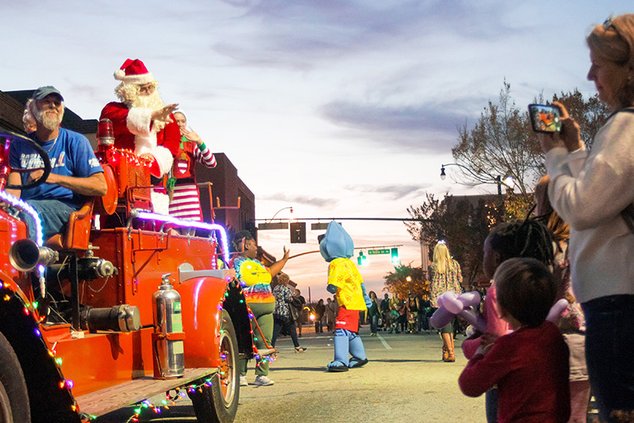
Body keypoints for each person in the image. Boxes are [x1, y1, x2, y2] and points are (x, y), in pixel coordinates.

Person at [539, 14, 634, 421]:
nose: (590, 73)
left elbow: (581, 208)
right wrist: (577, 149)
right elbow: (603, 198)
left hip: (618, 304)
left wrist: (556, 153)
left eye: (599, 63)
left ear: (628, 68)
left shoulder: (626, 125)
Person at [462, 219, 555, 422]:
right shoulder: (551, 334)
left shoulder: (498, 291)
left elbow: (470, 384)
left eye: (484, 253)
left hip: (504, 390)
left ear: (496, 257)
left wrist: (473, 349)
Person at [458, 257, 570, 422]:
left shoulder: (509, 346)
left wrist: (480, 354)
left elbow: (469, 385)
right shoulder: (552, 335)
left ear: (502, 307)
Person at [7, 86, 107, 241]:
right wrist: (6, 204)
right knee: (10, 214)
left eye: (57, 103)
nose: (53, 105)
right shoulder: (19, 145)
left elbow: (100, 186)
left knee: (28, 212)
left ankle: (25, 263)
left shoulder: (76, 141)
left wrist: (51, 177)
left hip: (65, 208)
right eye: (47, 101)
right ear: (33, 109)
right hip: (26, 205)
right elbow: (14, 189)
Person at [535, 176, 590, 423]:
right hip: (583, 336)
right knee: (576, 416)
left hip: (551, 337)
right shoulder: (587, 239)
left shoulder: (545, 246)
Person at [100, 58, 180, 214]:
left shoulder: (166, 118)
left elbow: (172, 148)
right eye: (144, 88)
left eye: (151, 87)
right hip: (120, 184)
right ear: (130, 90)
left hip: (154, 183)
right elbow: (115, 118)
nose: (149, 92)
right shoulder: (113, 109)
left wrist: (154, 161)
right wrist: (150, 116)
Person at [231, 230, 289, 387]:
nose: (257, 248)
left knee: (266, 342)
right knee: (243, 341)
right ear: (247, 244)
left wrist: (284, 260)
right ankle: (241, 375)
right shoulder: (234, 263)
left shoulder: (258, 264)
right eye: (255, 245)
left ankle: (262, 374)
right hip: (246, 309)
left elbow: (270, 273)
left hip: (266, 309)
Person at [318, 222, 370, 372]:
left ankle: (340, 361)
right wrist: (366, 299)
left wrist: (331, 287)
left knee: (341, 329)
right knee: (351, 331)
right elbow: (361, 283)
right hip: (357, 302)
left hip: (346, 302)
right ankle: (360, 356)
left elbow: (334, 283)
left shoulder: (335, 263)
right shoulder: (350, 263)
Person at [168, 110, 217, 221]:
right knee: (171, 233)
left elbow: (212, 162)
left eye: (183, 121)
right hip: (171, 197)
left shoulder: (191, 144)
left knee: (188, 236)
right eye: (177, 121)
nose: (180, 124)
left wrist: (200, 142)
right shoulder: (165, 143)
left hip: (189, 199)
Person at [429, 241, 463, 362]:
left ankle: (450, 351)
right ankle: (447, 351)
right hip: (453, 296)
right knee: (450, 324)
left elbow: (431, 280)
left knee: (444, 325)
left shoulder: (434, 266)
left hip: (439, 297)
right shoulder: (455, 264)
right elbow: (460, 278)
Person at [271, 273, 306, 352]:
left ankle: (271, 346)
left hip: (276, 310)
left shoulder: (275, 288)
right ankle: (297, 346)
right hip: (285, 311)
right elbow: (289, 299)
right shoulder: (285, 289)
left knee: (276, 330)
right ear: (286, 280)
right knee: (291, 328)